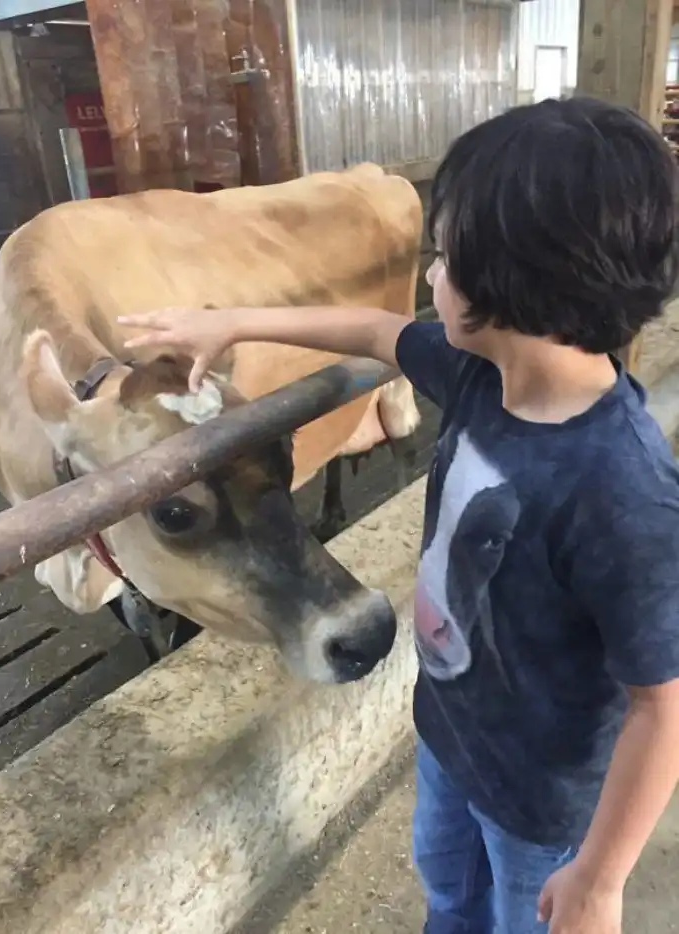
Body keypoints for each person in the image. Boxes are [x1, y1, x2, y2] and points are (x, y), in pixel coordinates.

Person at [118, 96, 679, 934]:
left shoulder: (623, 492)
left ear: (518, 282)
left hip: (543, 803)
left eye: (446, 258)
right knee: (448, 894)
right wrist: (231, 322)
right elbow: (378, 331)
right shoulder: (481, 374)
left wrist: (599, 878)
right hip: (449, 735)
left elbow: (661, 707)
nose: (429, 278)